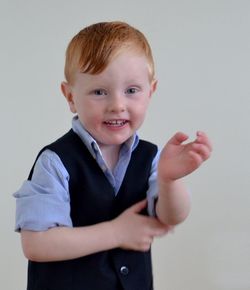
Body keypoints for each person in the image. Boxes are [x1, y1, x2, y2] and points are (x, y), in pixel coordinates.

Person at [14, 21, 212, 290]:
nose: (117, 105)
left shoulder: (151, 157)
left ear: (151, 92)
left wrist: (169, 180)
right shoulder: (55, 161)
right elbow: (35, 244)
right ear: (70, 96)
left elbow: (171, 216)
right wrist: (116, 232)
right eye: (99, 92)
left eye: (131, 90)